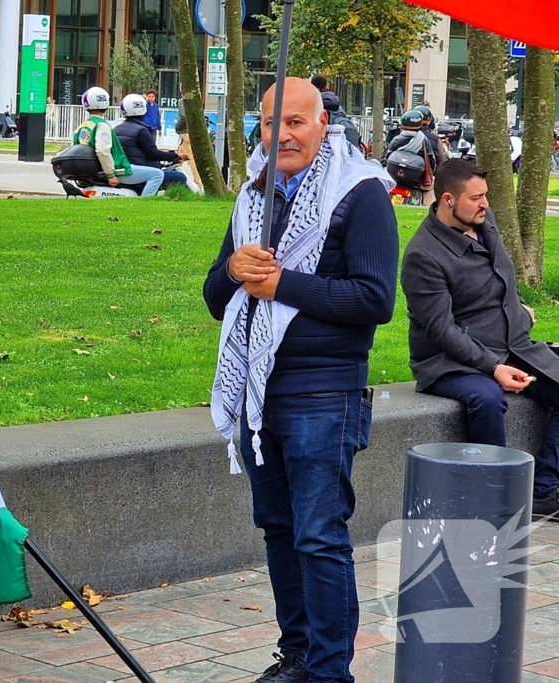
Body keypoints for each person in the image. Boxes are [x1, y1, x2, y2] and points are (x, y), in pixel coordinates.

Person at [203, 77, 398, 683]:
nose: (281, 135)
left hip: (324, 392)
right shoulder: (253, 195)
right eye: (269, 124)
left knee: (319, 537)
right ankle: (298, 656)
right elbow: (216, 296)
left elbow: (374, 299)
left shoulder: (359, 191)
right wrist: (235, 268)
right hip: (258, 397)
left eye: (295, 122)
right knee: (280, 532)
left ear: (322, 124)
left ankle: (329, 671)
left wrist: (282, 283)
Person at [401, 160, 559, 523]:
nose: (485, 204)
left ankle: (541, 493)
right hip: (449, 361)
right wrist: (493, 368)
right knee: (488, 399)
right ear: (448, 200)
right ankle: (494, 503)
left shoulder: (481, 221)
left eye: (486, 196)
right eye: (476, 198)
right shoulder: (422, 256)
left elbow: (503, 277)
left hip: (512, 345)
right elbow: (441, 330)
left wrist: (520, 308)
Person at [74, 87, 164, 196]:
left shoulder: (82, 127)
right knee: (157, 174)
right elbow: (103, 151)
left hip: (93, 171)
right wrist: (111, 175)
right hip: (117, 170)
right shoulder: (101, 125)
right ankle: (144, 204)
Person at [114, 93, 189, 191]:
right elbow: (153, 153)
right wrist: (174, 156)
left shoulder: (116, 130)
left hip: (123, 171)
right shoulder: (141, 131)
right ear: (144, 109)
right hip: (141, 172)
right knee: (180, 177)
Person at [382, 109, 439, 204]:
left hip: (395, 177)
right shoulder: (424, 140)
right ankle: (427, 208)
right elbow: (431, 160)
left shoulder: (397, 139)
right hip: (416, 180)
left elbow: (387, 155)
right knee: (431, 185)